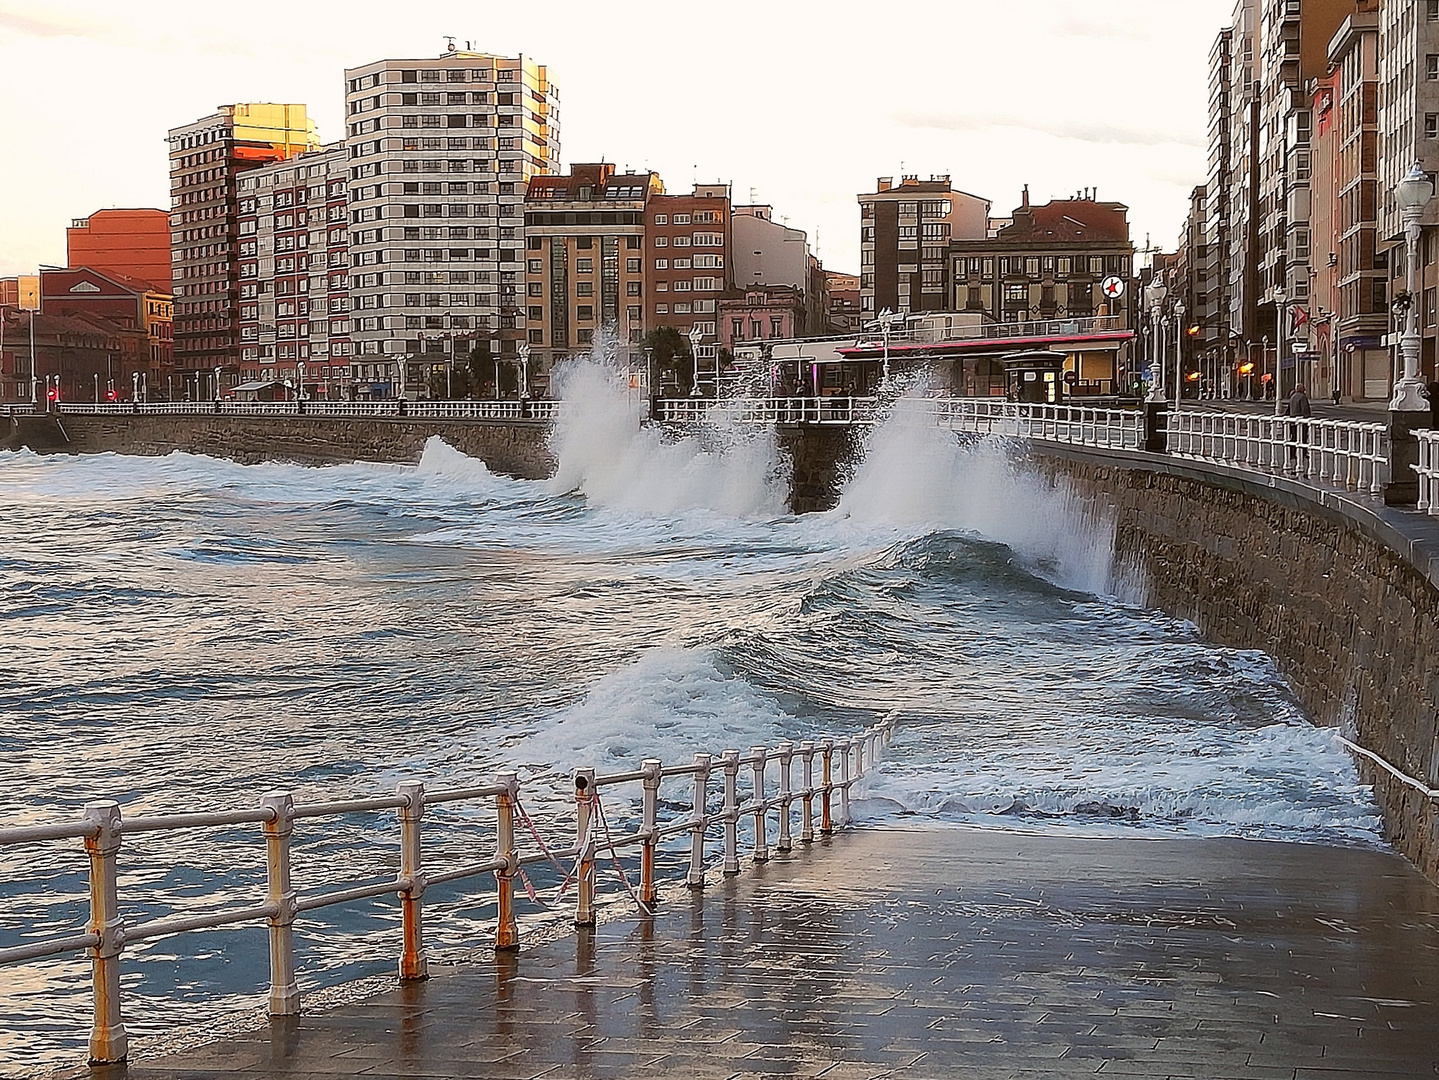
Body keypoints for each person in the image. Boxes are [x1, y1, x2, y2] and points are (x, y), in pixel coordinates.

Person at [1287, 383, 1312, 473]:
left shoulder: (1292, 397)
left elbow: (1288, 409)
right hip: (1301, 420)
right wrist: (1307, 417)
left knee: (1293, 438)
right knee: (1303, 437)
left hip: (1293, 420)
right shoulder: (1302, 397)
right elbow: (1305, 409)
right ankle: (1304, 452)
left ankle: (1292, 453)